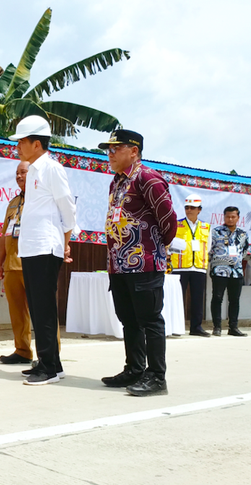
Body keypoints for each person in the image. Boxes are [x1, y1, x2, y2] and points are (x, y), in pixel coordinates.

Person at [100, 129, 177, 397]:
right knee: (128, 320)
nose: (109, 154)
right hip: (119, 265)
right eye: (107, 150)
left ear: (134, 151)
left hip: (144, 263)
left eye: (115, 149)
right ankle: (134, 369)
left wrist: (151, 248)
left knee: (150, 319)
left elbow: (168, 221)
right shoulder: (117, 182)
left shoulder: (148, 178)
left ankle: (156, 377)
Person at [8, 116, 76, 386]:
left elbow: (68, 210)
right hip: (30, 247)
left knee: (45, 308)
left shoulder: (52, 169)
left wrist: (64, 242)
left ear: (37, 144)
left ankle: (48, 367)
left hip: (46, 247)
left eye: (22, 141)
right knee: (36, 308)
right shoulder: (34, 170)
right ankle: (51, 363)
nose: (18, 146)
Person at [0, 161, 33, 364]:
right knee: (17, 312)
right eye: (16, 173)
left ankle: (50, 355)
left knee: (42, 312)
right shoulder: (13, 203)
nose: (19, 176)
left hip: (33, 263)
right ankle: (22, 351)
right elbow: (4, 235)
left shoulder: (40, 199)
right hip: (11, 264)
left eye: (23, 172)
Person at [170, 194, 211, 336]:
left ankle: (196, 327)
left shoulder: (206, 226)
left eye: (192, 208)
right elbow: (171, 244)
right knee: (178, 298)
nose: (189, 210)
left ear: (199, 210)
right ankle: (176, 327)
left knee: (197, 298)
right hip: (180, 266)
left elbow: (209, 246)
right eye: (187, 207)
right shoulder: (177, 224)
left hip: (198, 267)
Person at [209, 207, 249, 337]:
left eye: (233, 217)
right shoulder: (215, 232)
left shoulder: (243, 234)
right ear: (224, 217)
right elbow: (209, 250)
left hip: (236, 272)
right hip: (220, 271)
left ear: (238, 218)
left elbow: (244, 252)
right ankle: (217, 327)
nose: (230, 219)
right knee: (217, 298)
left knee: (234, 300)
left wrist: (235, 261)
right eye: (228, 217)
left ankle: (233, 327)